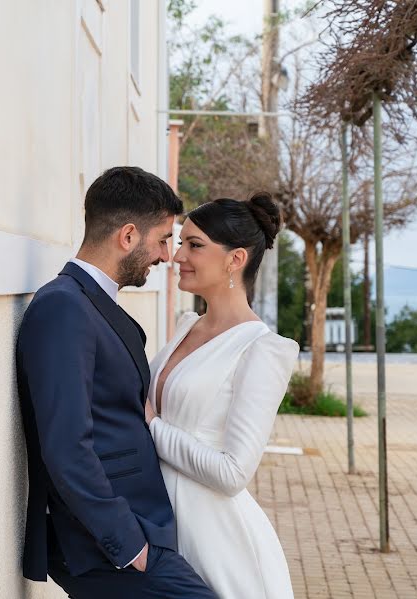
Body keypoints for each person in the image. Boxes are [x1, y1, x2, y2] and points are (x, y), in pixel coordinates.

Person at [16, 166, 216, 598]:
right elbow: (66, 445)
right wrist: (127, 546)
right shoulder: (64, 308)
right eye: (163, 239)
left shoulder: (92, 305)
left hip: (140, 528)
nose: (168, 255)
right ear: (127, 236)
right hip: (105, 546)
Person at [144, 193, 297, 599]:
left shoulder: (262, 349)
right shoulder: (185, 325)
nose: (178, 257)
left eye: (195, 246)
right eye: (180, 244)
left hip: (216, 541)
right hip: (158, 525)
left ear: (236, 259)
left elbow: (234, 473)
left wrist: (152, 427)